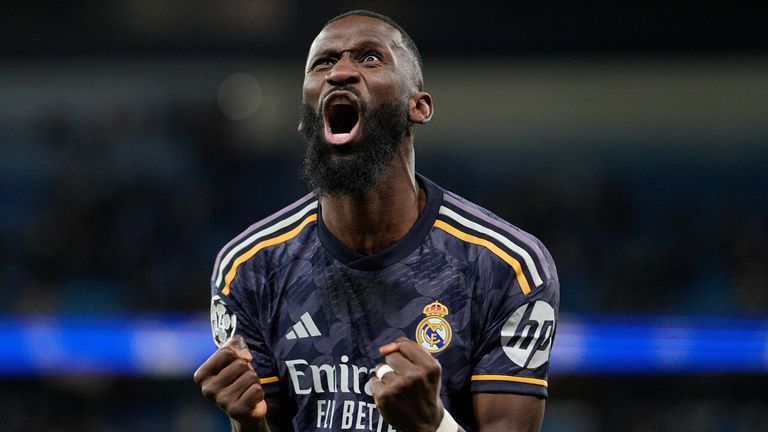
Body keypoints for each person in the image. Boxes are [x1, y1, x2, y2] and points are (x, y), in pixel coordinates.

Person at [194, 10, 559, 432]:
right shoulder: (251, 267)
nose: (341, 73)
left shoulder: (506, 267)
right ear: (304, 118)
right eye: (324, 63)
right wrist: (247, 424)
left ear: (418, 106)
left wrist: (432, 425)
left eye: (370, 58)